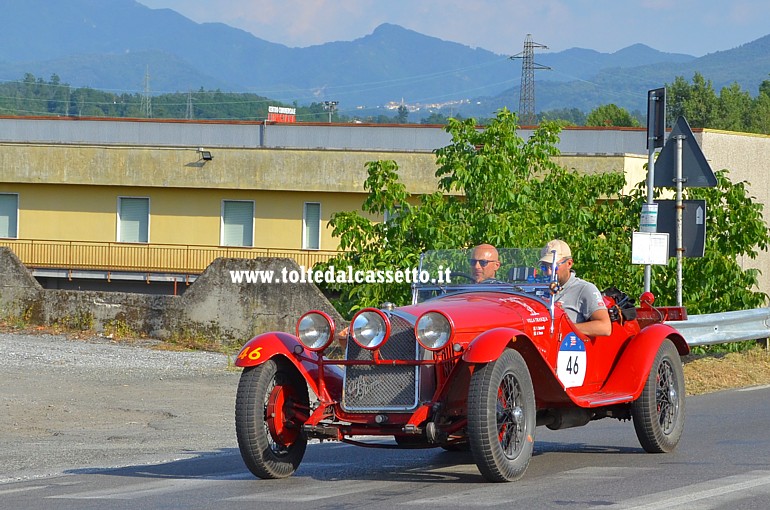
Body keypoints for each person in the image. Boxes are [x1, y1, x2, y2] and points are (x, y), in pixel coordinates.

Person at [539, 239, 612, 337]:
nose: (548, 272)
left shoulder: (584, 289)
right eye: (544, 267)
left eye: (553, 267)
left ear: (569, 263)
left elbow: (605, 327)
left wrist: (563, 328)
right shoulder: (538, 289)